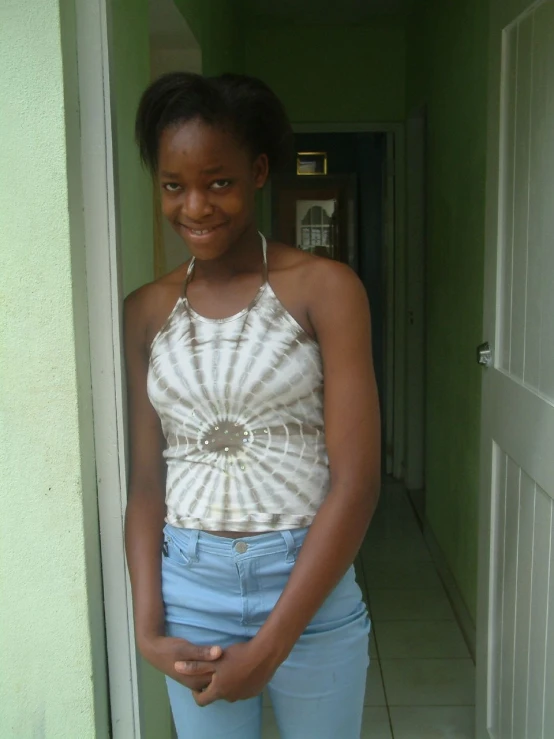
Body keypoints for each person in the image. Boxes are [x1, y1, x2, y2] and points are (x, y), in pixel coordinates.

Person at [124, 72, 381, 739]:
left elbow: (356, 481)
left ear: (259, 172)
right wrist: (147, 624)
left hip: (310, 592)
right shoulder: (146, 311)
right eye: (174, 185)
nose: (196, 207)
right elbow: (148, 484)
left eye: (220, 181)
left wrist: (270, 647)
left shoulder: (325, 288)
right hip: (192, 595)